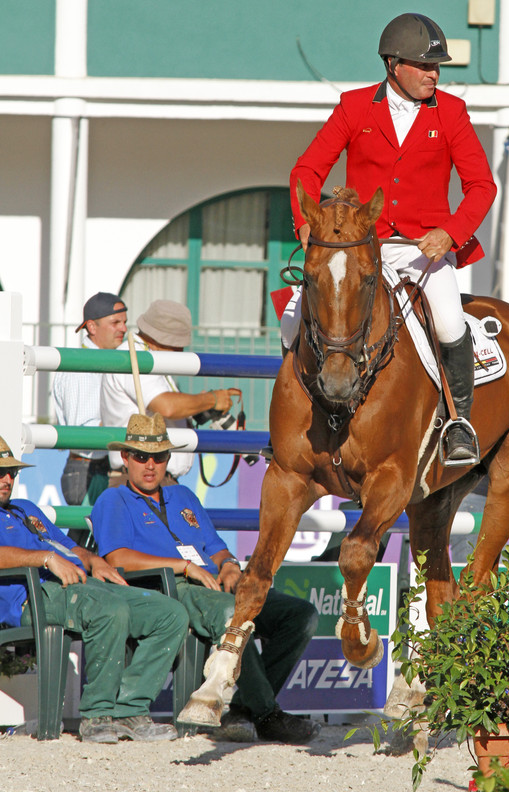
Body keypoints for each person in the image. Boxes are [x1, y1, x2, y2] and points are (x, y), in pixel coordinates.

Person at [285, 12, 497, 465]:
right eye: (424, 66)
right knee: (292, 316)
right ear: (393, 65)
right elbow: (307, 170)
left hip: (425, 248)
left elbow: (482, 186)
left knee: (447, 320)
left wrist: (450, 233)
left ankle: (459, 422)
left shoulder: (452, 113)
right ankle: (291, 420)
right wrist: (306, 223)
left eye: (437, 67)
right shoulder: (355, 107)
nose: (433, 75)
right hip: (360, 244)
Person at [90, 413, 320, 744]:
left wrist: (228, 564)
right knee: (233, 617)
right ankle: (268, 715)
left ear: (168, 458)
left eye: (158, 456)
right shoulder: (113, 499)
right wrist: (183, 566)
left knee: (302, 616)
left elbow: (215, 548)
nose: (150, 464)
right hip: (170, 588)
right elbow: (118, 558)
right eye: (140, 456)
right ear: (125, 458)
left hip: (214, 584)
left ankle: (242, 709)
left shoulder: (183, 497)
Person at [0, 435, 188, 744]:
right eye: (0, 472)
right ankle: (97, 715)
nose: (7, 479)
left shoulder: (24, 507)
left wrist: (94, 560)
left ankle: (130, 708)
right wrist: (46, 559)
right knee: (109, 610)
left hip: (78, 585)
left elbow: (68, 546)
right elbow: (45, 554)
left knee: (169, 613)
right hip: (32, 597)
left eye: (12, 472)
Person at [100, 299, 240, 486]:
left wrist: (197, 405)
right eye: (177, 345)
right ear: (161, 339)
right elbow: (167, 406)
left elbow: (166, 407)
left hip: (150, 477)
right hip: (141, 479)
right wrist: (211, 400)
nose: (180, 351)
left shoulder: (149, 357)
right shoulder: (134, 356)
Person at [52, 292, 128, 506]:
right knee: (86, 538)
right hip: (88, 470)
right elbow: (83, 431)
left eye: (124, 322)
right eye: (115, 322)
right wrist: (128, 422)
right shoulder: (80, 367)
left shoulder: (105, 362)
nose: (123, 328)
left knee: (95, 538)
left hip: (96, 469)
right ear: (92, 327)